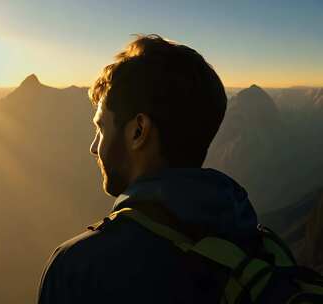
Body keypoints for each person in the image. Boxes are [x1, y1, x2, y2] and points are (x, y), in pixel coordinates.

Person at [37, 34, 259, 303]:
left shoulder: (78, 269)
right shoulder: (256, 250)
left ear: (138, 131)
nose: (94, 147)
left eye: (101, 128)